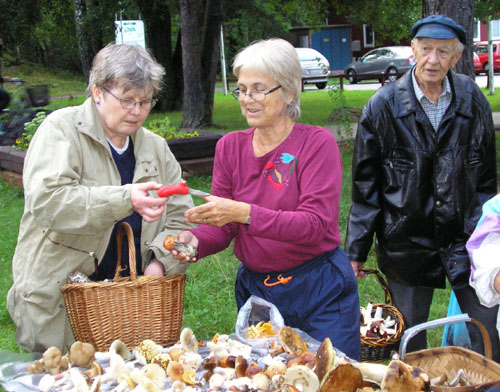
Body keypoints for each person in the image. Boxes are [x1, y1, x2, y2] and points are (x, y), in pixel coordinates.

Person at [170, 38, 361, 360]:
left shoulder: (316, 143)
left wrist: (245, 212)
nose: (247, 99)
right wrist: (194, 241)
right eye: (242, 89)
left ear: (289, 92)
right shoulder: (230, 146)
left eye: (259, 89)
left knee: (331, 376)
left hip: (319, 287)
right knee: (266, 376)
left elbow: (315, 225)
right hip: (259, 293)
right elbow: (225, 226)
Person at [6, 43, 195, 353]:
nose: (137, 111)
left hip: (132, 308)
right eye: (127, 100)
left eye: (146, 101)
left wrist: (159, 263)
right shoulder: (61, 131)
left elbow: (180, 217)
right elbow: (48, 203)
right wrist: (124, 198)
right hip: (61, 307)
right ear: (97, 92)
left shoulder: (156, 148)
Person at [345, 14, 500, 361]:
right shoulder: (383, 107)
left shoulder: (472, 99)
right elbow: (366, 188)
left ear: (457, 57)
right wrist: (355, 252)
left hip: (466, 237)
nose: (433, 59)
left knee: (490, 331)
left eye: (443, 52)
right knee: (408, 338)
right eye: (426, 49)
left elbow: (487, 178)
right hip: (406, 240)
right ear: (412, 50)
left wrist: (490, 235)